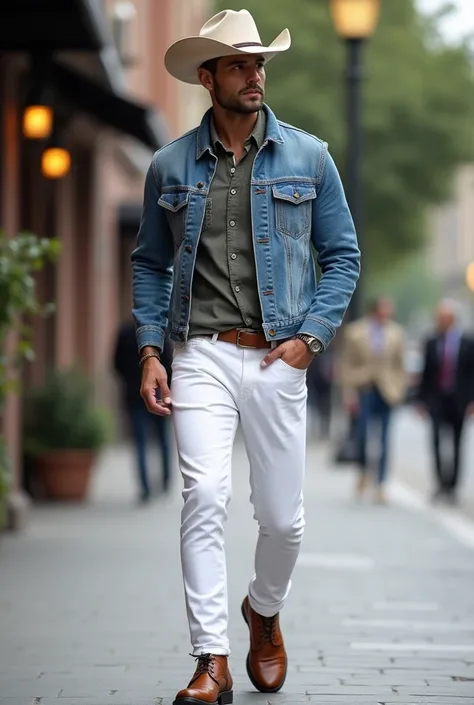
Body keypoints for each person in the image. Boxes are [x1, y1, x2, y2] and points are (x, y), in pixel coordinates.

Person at [131, 9, 359, 704]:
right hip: (199, 352)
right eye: (239, 64)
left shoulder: (309, 157)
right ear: (208, 78)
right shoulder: (169, 165)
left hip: (276, 357)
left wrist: (310, 337)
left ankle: (263, 609)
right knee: (203, 495)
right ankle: (212, 659)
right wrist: (150, 349)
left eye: (259, 64)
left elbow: (342, 256)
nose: (255, 74)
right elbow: (149, 263)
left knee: (284, 521)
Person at [341, 298, 407, 504]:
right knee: (362, 435)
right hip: (364, 389)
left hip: (387, 391)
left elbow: (400, 365)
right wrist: (349, 392)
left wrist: (399, 388)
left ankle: (380, 484)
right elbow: (347, 364)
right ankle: (363, 472)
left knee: (385, 439)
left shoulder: (396, 333)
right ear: (375, 310)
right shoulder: (355, 332)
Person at [417, 300, 474, 504]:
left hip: (459, 400)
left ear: (451, 320)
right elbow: (425, 374)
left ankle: (453, 487)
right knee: (436, 442)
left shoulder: (468, 342)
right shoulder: (431, 341)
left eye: (442, 318)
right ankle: (440, 483)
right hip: (436, 399)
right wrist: (421, 401)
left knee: (458, 443)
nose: (438, 321)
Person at [113, 319, 172, 502]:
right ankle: (165, 481)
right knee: (163, 438)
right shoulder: (161, 331)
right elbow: (170, 361)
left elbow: (116, 363)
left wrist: (130, 381)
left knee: (140, 442)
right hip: (159, 393)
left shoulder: (124, 332)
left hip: (134, 394)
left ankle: (145, 487)